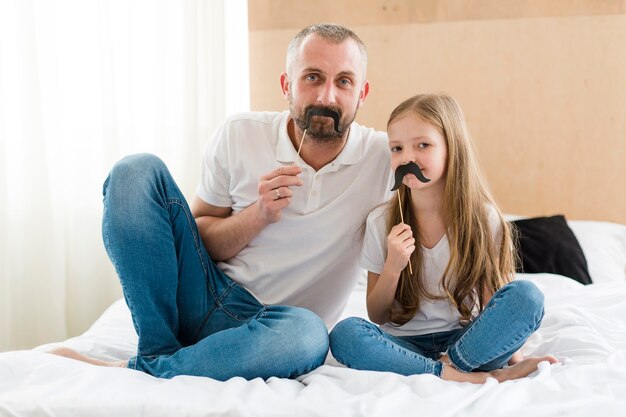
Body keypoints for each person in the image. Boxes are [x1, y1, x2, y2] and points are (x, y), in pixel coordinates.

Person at [49, 23, 392, 380]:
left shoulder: (385, 158)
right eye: (312, 77)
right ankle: (158, 345)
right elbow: (199, 239)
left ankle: (145, 370)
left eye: (344, 81)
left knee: (310, 336)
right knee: (134, 171)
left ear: (362, 93)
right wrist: (257, 215)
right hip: (204, 293)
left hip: (276, 328)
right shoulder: (239, 133)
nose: (326, 97)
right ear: (287, 84)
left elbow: (445, 176)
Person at [329, 94, 558, 383]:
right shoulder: (380, 222)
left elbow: (494, 302)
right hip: (404, 344)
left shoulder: (483, 219)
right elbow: (377, 315)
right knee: (345, 334)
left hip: (469, 342)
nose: (407, 158)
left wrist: (516, 355)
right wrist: (393, 267)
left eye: (422, 145)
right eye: (397, 148)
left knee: (527, 296)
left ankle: (446, 366)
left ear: (452, 148)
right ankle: (465, 376)